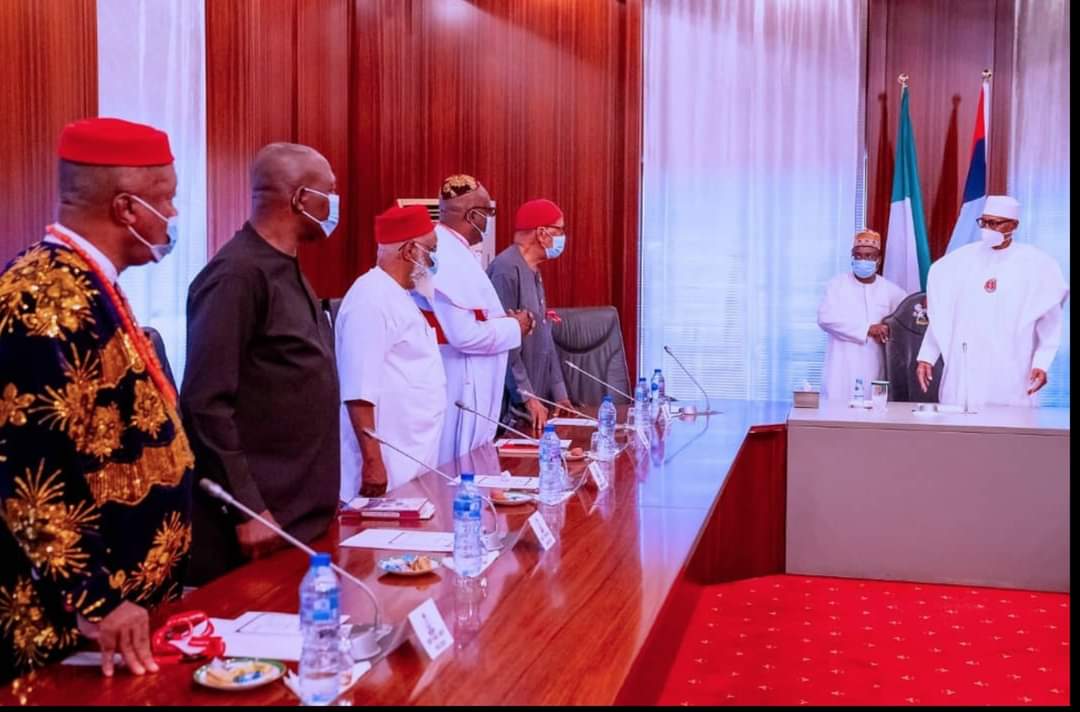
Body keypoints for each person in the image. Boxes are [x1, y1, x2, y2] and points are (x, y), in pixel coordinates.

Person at [0, 117, 193, 681]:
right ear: (127, 208)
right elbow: (27, 471)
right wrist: (95, 598)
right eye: (167, 200)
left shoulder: (89, 282)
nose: (174, 216)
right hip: (65, 630)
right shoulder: (42, 299)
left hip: (123, 621)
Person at [181, 143, 340, 584]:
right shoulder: (236, 275)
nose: (334, 204)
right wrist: (246, 506)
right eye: (330, 192)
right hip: (258, 523)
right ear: (301, 200)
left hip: (302, 513)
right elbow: (205, 402)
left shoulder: (286, 267)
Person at [419, 175, 530, 469]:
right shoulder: (444, 254)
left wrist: (502, 322)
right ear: (473, 215)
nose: (489, 220)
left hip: (465, 376)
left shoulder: (456, 251)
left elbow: (473, 317)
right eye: (488, 213)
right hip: (455, 379)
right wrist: (514, 327)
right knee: (453, 478)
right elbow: (464, 335)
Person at [916, 195, 1068, 407]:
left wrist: (1042, 363)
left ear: (1014, 225)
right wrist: (927, 356)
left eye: (994, 223)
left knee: (1009, 433)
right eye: (984, 222)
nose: (987, 228)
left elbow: (1050, 323)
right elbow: (943, 313)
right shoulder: (957, 262)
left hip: (1012, 370)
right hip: (966, 370)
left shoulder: (1038, 265)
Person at [337, 206, 445, 499]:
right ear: (410, 250)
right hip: (386, 467)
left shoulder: (400, 295)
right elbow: (358, 390)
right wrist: (373, 462)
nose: (434, 261)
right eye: (431, 250)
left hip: (411, 458)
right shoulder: (370, 298)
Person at [488, 199, 573, 436]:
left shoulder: (533, 270)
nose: (563, 238)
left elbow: (545, 337)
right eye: (560, 230)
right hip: (511, 409)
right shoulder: (506, 269)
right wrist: (526, 397)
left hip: (536, 404)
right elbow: (503, 343)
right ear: (542, 233)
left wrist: (560, 395)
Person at [817, 229, 908, 400]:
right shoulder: (837, 285)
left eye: (868, 256)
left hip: (875, 368)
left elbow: (904, 325)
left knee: (873, 417)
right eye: (857, 256)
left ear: (878, 260)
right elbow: (825, 318)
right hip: (841, 370)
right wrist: (867, 329)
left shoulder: (893, 292)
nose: (862, 260)